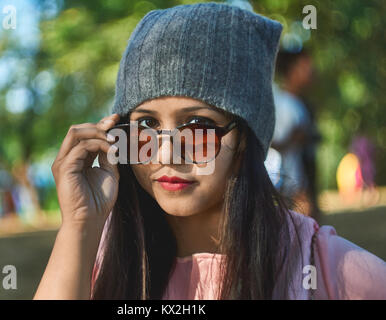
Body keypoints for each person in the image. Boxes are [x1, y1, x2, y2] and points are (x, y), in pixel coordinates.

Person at [34, 3, 386, 300]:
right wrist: (79, 225)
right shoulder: (100, 259)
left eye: (198, 127)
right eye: (146, 127)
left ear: (244, 139)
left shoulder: (324, 267)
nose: (167, 153)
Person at [270, 49, 321, 221]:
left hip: (298, 177)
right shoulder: (280, 102)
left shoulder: (298, 104)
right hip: (284, 180)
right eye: (305, 67)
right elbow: (268, 141)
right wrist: (293, 139)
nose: (311, 72)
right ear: (291, 70)